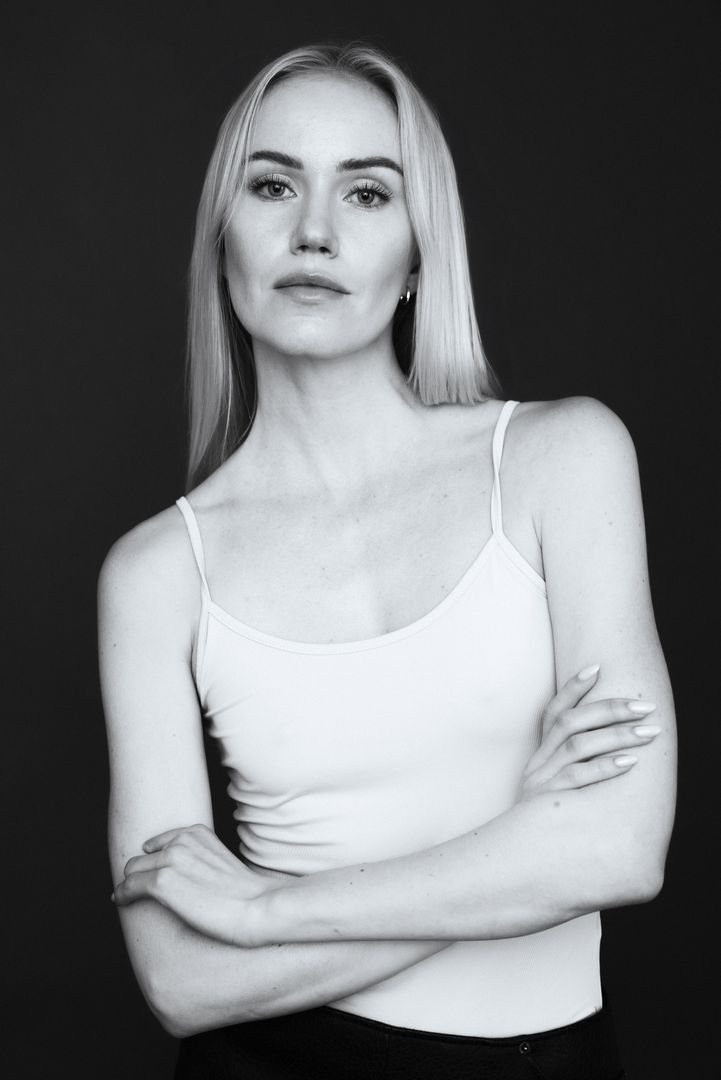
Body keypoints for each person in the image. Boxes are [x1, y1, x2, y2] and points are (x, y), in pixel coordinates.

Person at [99, 42, 677, 1080]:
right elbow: (182, 983)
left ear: (418, 256)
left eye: (367, 193)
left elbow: (618, 850)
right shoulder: (156, 574)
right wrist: (521, 843)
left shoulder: (562, 460)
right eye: (272, 186)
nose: (313, 231)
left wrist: (266, 910)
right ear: (221, 243)